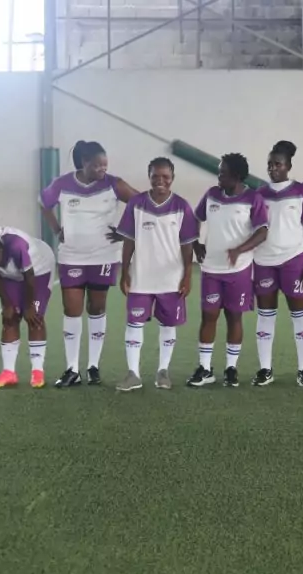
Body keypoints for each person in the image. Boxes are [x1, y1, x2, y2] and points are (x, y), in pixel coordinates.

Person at [40, 140, 139, 388]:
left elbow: (140, 203)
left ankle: (93, 367)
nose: (102, 170)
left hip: (103, 257)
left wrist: (125, 231)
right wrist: (55, 228)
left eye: (105, 165)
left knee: (96, 309)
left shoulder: (114, 184)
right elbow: (44, 203)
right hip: (71, 256)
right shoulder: (63, 184)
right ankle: (71, 368)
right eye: (97, 166)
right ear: (84, 163)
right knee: (71, 310)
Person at [115, 157, 198, 392]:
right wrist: (125, 271)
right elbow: (128, 239)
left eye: (165, 176)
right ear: (149, 176)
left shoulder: (182, 206)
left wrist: (187, 275)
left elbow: (187, 245)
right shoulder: (136, 203)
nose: (160, 180)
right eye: (155, 176)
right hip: (141, 276)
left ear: (173, 178)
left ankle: (163, 371)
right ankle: (133, 374)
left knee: (168, 324)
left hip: (171, 279)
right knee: (134, 323)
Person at [188, 153, 268, 388]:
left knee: (234, 317)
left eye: (222, 172)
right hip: (211, 267)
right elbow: (195, 218)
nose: (218, 175)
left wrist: (239, 250)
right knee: (209, 316)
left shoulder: (253, 198)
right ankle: (205, 368)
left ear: (236, 175)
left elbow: (263, 231)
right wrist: (196, 243)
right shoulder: (212, 194)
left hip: (239, 270)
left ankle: (231, 369)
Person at [252, 140, 303, 388]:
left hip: (294, 260)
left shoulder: (302, 192)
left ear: (288, 165)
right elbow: (252, 230)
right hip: (264, 262)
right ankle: (265, 369)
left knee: (299, 314)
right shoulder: (258, 194)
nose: (273, 168)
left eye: (278, 164)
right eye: (270, 164)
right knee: (266, 315)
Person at [0, 227, 56, 388]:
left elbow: (29, 277)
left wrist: (30, 305)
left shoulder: (17, 246)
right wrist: (7, 304)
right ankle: (8, 372)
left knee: (34, 318)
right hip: (10, 274)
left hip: (39, 269)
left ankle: (37, 371)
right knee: (9, 318)